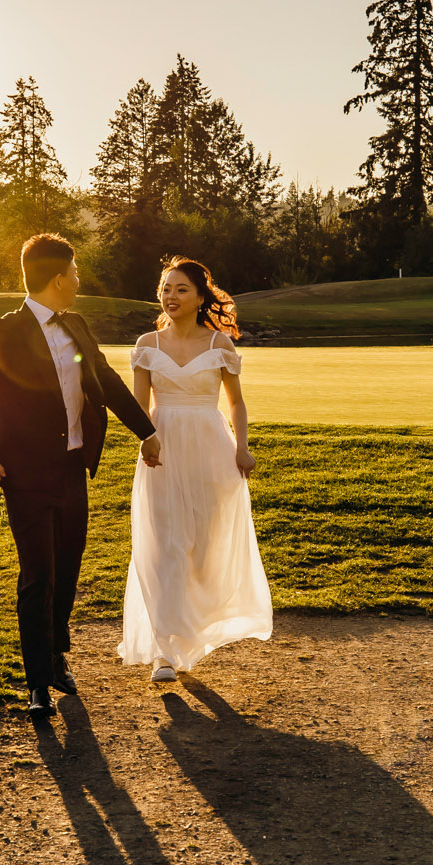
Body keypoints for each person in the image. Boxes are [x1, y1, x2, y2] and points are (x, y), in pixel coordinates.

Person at [0, 233, 162, 720]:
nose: (78, 280)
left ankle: (53, 651)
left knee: (67, 570)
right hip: (23, 474)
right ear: (56, 278)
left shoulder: (77, 326)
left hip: (73, 469)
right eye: (74, 272)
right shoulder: (2, 331)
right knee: (38, 577)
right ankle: (37, 684)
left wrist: (146, 431)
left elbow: (106, 383)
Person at [119, 256, 272, 682]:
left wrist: (242, 448)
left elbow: (236, 403)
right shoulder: (147, 344)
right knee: (167, 544)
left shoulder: (219, 344)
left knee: (204, 549)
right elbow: (139, 407)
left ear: (200, 296)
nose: (171, 296)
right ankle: (165, 651)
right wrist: (146, 440)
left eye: (181, 289)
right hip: (162, 448)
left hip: (211, 449)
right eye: (166, 288)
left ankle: (196, 629)